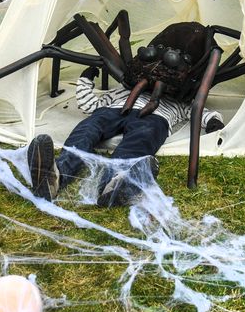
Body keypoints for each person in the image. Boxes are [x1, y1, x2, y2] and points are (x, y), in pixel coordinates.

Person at [27, 66, 225, 207]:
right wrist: (86, 80)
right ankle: (55, 175)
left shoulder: (180, 100)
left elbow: (198, 111)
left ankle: (114, 184)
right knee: (86, 130)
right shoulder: (122, 90)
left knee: (139, 141)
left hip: (155, 117)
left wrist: (213, 121)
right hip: (114, 108)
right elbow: (90, 105)